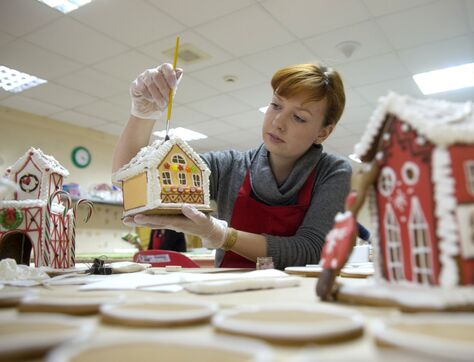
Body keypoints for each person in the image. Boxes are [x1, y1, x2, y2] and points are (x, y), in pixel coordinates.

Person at [112, 62, 352, 270]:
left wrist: (222, 235)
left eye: (298, 117)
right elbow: (130, 180)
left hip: (296, 298)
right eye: (276, 105)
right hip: (229, 292)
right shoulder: (230, 166)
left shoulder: (332, 171)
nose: (278, 122)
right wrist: (142, 115)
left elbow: (311, 250)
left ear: (323, 132)